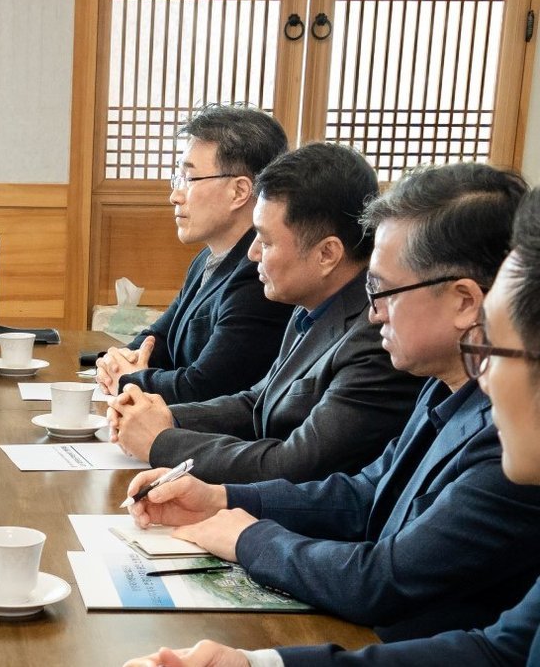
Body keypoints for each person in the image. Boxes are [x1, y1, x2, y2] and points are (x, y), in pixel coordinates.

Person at [120, 162, 540, 651]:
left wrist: (248, 537)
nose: (373, 312)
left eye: (381, 290)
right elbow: (366, 493)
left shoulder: (513, 434)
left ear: (466, 302)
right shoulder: (440, 383)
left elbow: (384, 580)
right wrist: (222, 498)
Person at [108, 143, 422, 483]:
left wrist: (161, 441)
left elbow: (293, 464)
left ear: (327, 254)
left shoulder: (377, 335)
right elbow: (257, 402)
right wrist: (164, 416)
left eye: (266, 241)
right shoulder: (310, 304)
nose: (253, 253)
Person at [96, 104, 294, 404]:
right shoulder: (207, 258)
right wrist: (119, 361)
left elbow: (206, 387)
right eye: (177, 179)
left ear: (240, 191)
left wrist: (129, 379)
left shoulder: (261, 273)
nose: (175, 196)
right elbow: (159, 337)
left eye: (189, 179)